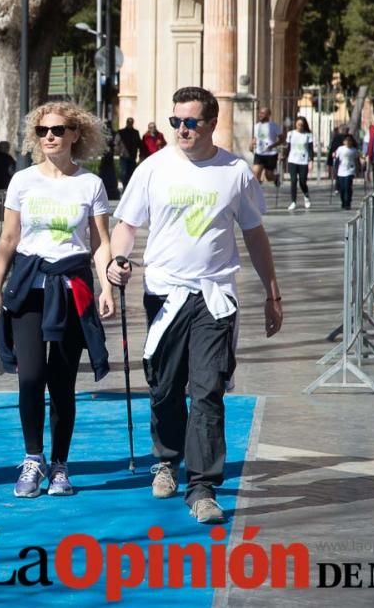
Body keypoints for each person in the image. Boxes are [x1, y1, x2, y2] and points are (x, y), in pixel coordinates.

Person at [107, 86, 282, 525]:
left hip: (215, 297)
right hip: (164, 294)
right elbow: (127, 225)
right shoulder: (153, 168)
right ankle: (166, 458)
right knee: (165, 386)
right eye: (175, 122)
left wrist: (272, 292)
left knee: (208, 390)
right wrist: (117, 259)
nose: (181, 130)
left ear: (211, 123)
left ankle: (202, 486)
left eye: (190, 122)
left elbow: (255, 234)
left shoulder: (235, 172)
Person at [0, 101, 114, 499]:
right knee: (30, 377)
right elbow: (9, 238)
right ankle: (32, 458)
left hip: (72, 285)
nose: (50, 137)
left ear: (76, 134)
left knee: (62, 381)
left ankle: (60, 465)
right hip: (28, 286)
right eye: (42, 131)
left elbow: (100, 243)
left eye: (58, 130)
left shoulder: (90, 184)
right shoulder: (22, 181)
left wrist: (106, 286)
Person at [284, 116, 315, 211]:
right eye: (298, 125)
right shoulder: (290, 134)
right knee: (293, 181)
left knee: (302, 181)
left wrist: (311, 161)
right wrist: (283, 156)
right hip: (292, 160)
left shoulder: (308, 135)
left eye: (301, 125)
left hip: (303, 161)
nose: (300, 126)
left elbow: (310, 149)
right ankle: (293, 202)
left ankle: (306, 196)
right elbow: (288, 147)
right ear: (295, 125)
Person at [250, 107, 283, 185]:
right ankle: (257, 191)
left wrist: (272, 145)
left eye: (262, 113)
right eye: (260, 113)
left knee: (268, 176)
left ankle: (275, 178)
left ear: (268, 115)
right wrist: (251, 144)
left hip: (271, 154)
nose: (260, 115)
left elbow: (282, 139)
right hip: (259, 153)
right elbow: (255, 138)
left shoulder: (274, 126)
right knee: (255, 174)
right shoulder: (257, 126)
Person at [335, 134, 359, 210]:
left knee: (347, 187)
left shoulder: (354, 150)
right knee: (342, 188)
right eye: (346, 140)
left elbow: (356, 160)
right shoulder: (340, 149)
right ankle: (343, 202)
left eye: (349, 140)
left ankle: (347, 203)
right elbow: (336, 159)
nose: (348, 142)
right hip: (341, 171)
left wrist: (358, 169)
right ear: (343, 142)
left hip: (350, 170)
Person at [117, 117, 142, 189]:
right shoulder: (121, 132)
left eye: (131, 122)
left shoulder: (135, 132)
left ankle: (130, 188)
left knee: (132, 173)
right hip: (124, 156)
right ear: (127, 123)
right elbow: (116, 143)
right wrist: (119, 152)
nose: (130, 124)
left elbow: (139, 144)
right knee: (124, 173)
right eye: (129, 122)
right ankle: (125, 187)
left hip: (132, 156)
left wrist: (140, 154)